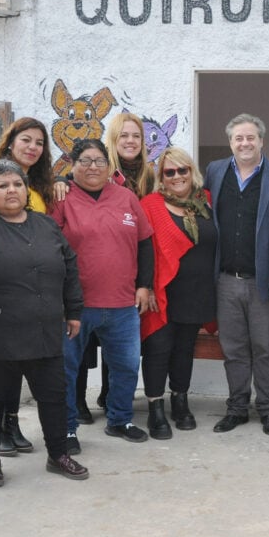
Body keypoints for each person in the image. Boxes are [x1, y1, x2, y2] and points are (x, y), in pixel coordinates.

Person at [0, 160, 88, 486]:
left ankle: (58, 454)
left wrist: (74, 311)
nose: (11, 190)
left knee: (54, 395)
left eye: (17, 184)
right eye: (2, 186)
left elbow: (69, 267)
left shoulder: (46, 225)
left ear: (26, 190)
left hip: (44, 331)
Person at [0, 117, 68, 457]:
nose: (33, 147)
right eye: (26, 141)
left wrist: (61, 180)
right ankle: (0, 435)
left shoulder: (35, 180)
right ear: (10, 142)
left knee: (29, 372)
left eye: (39, 143)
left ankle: (12, 424)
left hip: (35, 279)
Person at [53, 139, 155, 454]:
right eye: (85, 160)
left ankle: (120, 420)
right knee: (67, 370)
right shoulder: (62, 199)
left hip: (123, 303)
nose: (93, 166)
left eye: (99, 160)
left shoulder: (126, 198)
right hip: (75, 307)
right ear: (72, 163)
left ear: (108, 165)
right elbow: (49, 247)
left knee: (125, 366)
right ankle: (66, 429)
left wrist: (144, 285)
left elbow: (145, 244)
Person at [204, 114, 269, 435]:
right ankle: (237, 408)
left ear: (262, 141)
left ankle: (268, 411)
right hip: (225, 280)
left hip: (263, 281)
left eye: (250, 137)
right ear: (230, 142)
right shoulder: (215, 171)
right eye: (238, 138)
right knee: (234, 349)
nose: (245, 143)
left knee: (266, 348)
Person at [74, 112, 158, 421]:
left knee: (119, 346)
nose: (131, 141)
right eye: (124, 135)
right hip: (89, 280)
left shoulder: (151, 176)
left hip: (132, 270)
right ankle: (78, 402)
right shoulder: (95, 170)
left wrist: (145, 281)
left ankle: (112, 398)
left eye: (136, 136)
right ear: (113, 140)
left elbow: (148, 233)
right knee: (81, 347)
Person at [140, 148, 218, 439]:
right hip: (162, 291)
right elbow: (143, 249)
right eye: (169, 172)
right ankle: (155, 407)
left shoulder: (206, 201)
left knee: (185, 349)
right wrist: (145, 286)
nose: (177, 177)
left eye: (182, 170)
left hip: (197, 291)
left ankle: (180, 401)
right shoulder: (151, 204)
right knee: (158, 349)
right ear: (161, 177)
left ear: (191, 172)